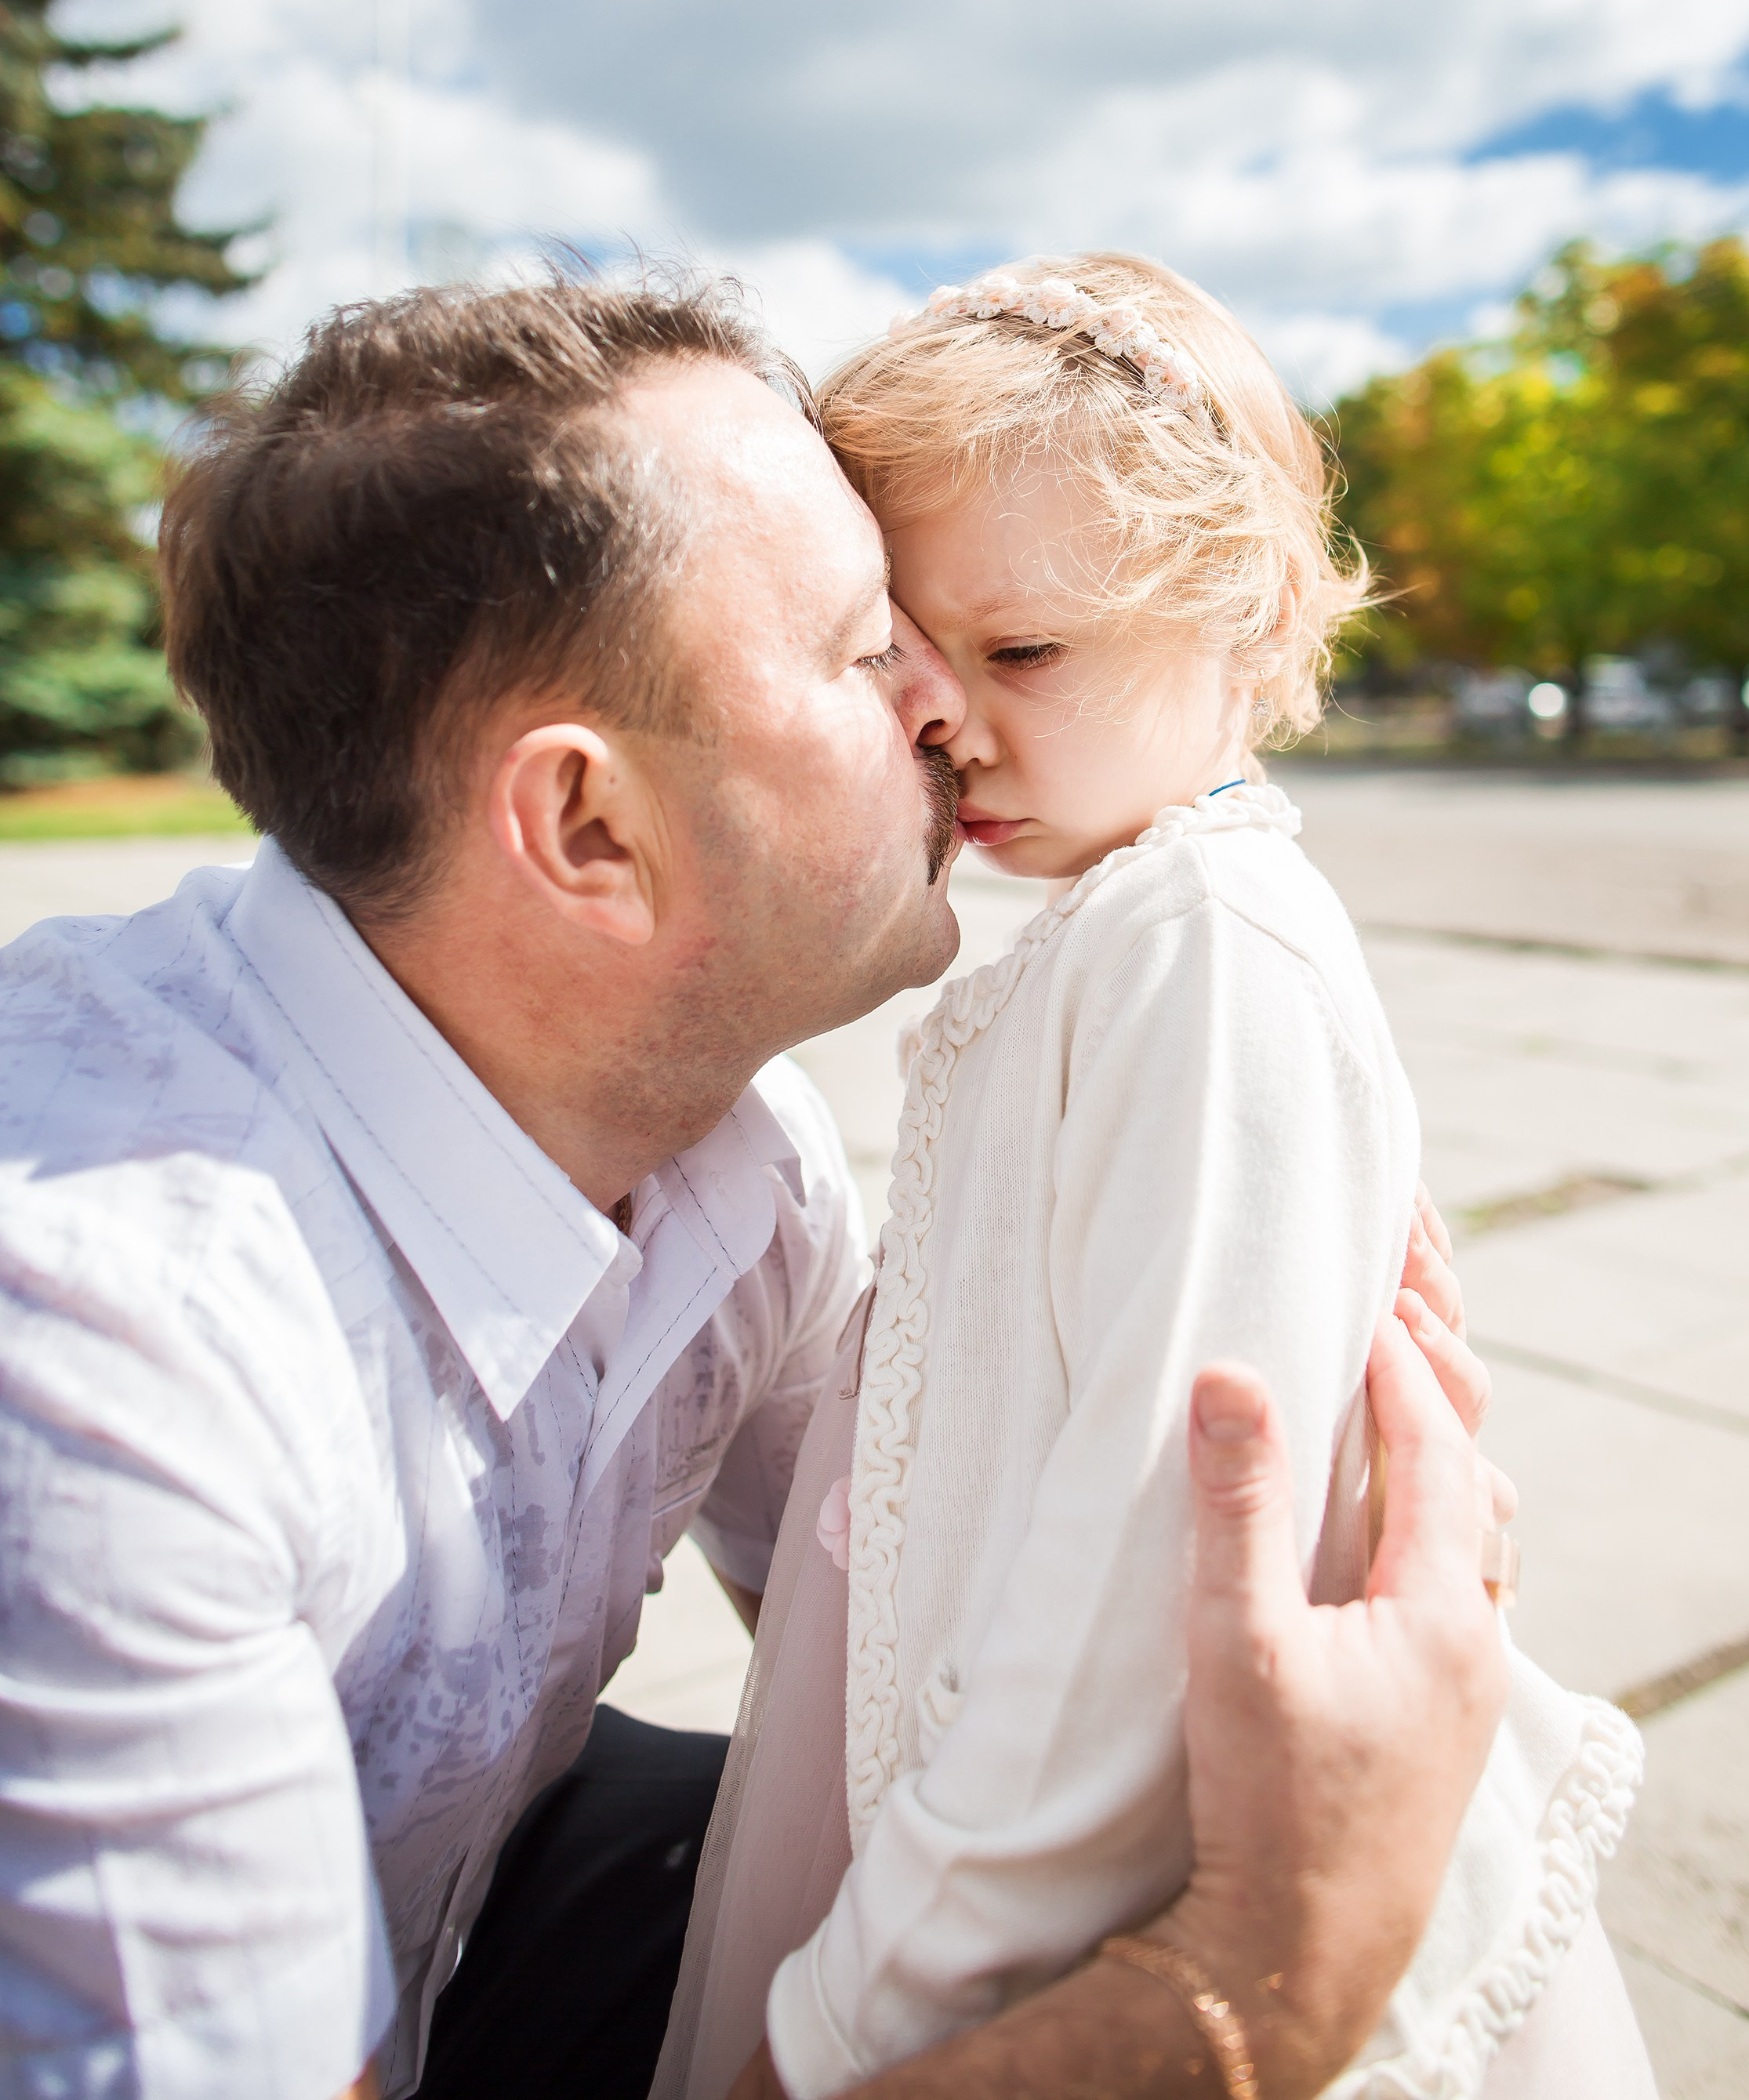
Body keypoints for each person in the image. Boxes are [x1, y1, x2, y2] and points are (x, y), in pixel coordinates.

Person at [0, 274, 1502, 2100]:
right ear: (588, 831)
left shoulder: (743, 1171)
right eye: (873, 644)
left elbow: (919, 1594)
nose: (940, 710)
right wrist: (1263, 1969)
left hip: (463, 1912)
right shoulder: (101, 1374)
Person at [655, 256, 1653, 2100]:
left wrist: (867, 2010)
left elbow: (1156, 1529)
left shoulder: (1195, 940)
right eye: (906, 661)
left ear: (1248, 610)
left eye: (1021, 650)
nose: (944, 718)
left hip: (1063, 1875)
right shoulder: (1104, 939)